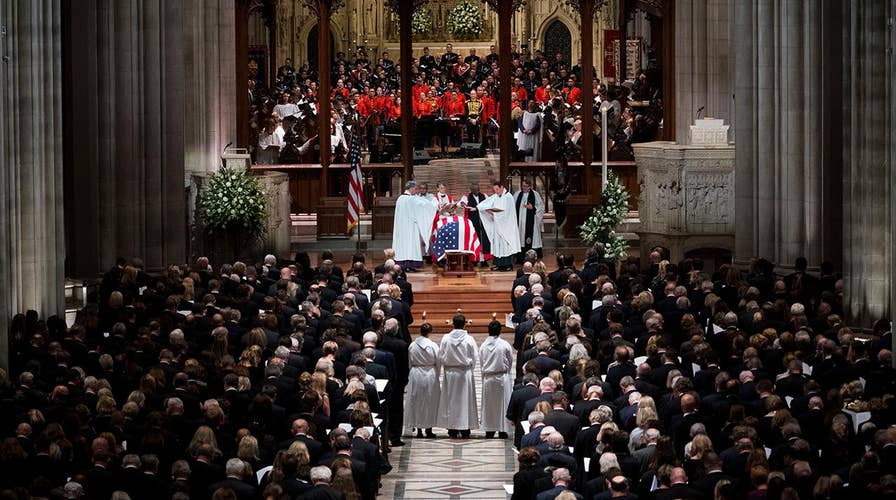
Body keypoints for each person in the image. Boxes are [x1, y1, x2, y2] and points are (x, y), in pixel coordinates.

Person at [437, 314, 479, 438]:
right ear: (464, 324)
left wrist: (447, 364)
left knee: (451, 401)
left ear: (452, 323)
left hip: (450, 373)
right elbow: (475, 356)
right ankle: (465, 428)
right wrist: (469, 367)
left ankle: (452, 428)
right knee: (465, 401)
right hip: (464, 373)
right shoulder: (469, 339)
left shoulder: (446, 338)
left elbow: (441, 355)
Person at [392, 181, 438, 271]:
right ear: (411, 188)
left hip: (401, 228)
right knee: (411, 245)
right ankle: (411, 264)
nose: (416, 191)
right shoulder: (412, 199)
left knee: (404, 245)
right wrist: (435, 203)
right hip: (411, 228)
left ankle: (403, 264)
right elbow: (426, 205)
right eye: (415, 189)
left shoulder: (400, 199)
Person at [479, 319, 514, 439]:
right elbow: (510, 361)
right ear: (500, 331)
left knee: (489, 405)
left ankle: (490, 429)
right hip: (501, 376)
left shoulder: (483, 346)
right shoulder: (504, 345)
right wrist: (506, 371)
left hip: (488, 377)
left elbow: (481, 361)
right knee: (503, 405)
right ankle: (502, 430)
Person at [404, 322, 440, 439]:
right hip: (430, 373)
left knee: (416, 400)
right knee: (430, 401)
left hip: (416, 373)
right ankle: (428, 429)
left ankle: (418, 429)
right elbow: (438, 362)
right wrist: (437, 374)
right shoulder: (433, 346)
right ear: (430, 332)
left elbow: (409, 362)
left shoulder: (412, 345)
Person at [478, 179, 521, 272]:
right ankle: (498, 264)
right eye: (495, 190)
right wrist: (480, 208)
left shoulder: (508, 197)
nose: (496, 192)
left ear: (502, 187)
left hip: (507, 226)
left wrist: (492, 213)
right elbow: (485, 204)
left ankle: (508, 265)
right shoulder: (496, 196)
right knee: (497, 245)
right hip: (498, 225)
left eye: (497, 190)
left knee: (506, 245)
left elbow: (506, 213)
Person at [460, 183, 491, 266]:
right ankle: (474, 259)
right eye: (475, 190)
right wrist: (462, 204)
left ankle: (484, 260)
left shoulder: (484, 196)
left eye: (478, 189)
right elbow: (462, 203)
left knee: (484, 240)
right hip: (473, 222)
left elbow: (489, 204)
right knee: (474, 240)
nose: (477, 191)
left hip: (483, 222)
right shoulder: (466, 197)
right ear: (471, 190)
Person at [514, 179, 545, 261]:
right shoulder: (517, 194)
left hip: (532, 223)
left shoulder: (535, 194)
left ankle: (532, 257)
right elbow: (512, 207)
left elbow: (541, 207)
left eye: (525, 186)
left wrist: (533, 208)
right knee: (520, 239)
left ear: (530, 187)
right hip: (520, 223)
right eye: (522, 186)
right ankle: (520, 258)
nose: (523, 187)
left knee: (532, 238)